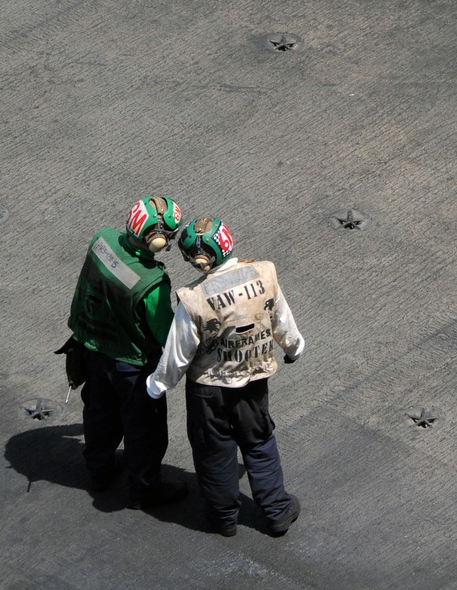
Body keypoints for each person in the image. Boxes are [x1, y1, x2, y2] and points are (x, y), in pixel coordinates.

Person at [147, 216, 304, 538]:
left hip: (208, 390)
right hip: (253, 381)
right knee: (259, 443)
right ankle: (276, 512)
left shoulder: (193, 298)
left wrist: (157, 385)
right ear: (227, 243)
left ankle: (223, 519)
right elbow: (281, 319)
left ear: (193, 259)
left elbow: (179, 351)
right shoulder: (264, 273)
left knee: (213, 452)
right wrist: (294, 349)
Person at [65, 195, 188, 508]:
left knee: (99, 416)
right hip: (132, 367)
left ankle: (100, 471)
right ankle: (144, 491)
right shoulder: (152, 282)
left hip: (93, 352)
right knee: (144, 432)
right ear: (157, 241)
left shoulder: (102, 240)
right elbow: (166, 333)